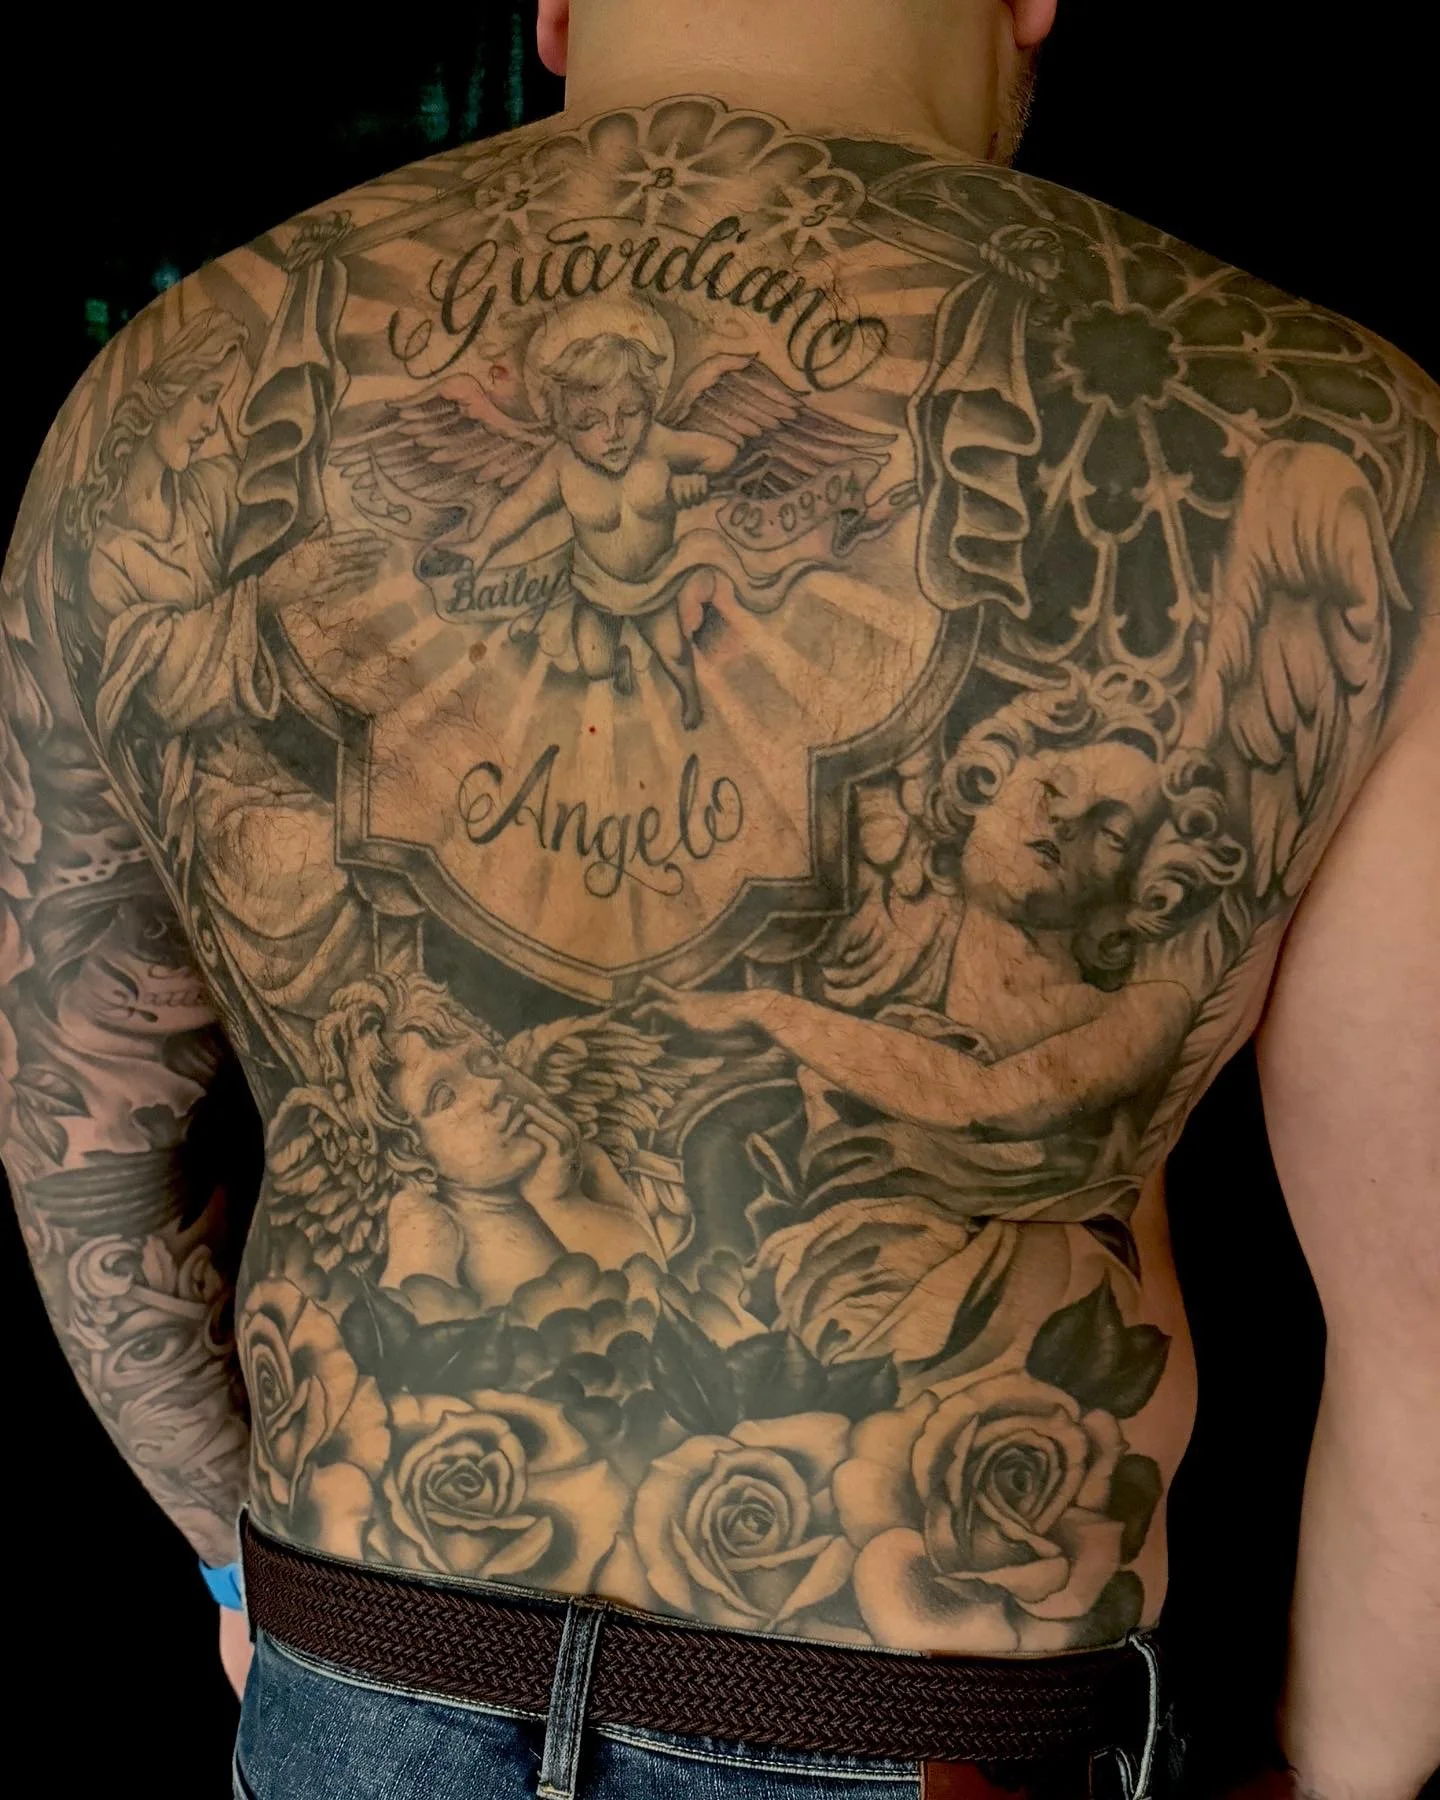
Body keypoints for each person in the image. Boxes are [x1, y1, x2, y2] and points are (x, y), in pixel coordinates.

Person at [1, 4, 1436, 1797]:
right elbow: (1425, 1322)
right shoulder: (1325, 440)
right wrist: (1344, 1769)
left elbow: (85, 1151)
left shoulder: (171, 398)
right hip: (931, 1726)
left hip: (371, 1673)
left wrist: (238, 1569)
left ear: (553, 8)